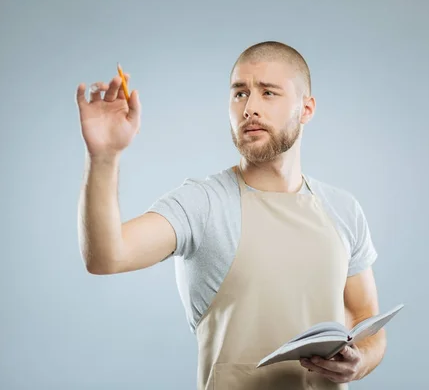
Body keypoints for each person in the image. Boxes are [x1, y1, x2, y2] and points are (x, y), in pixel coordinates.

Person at [75, 41, 387, 389]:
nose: (250, 108)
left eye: (268, 93)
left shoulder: (343, 208)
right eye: (240, 94)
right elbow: (106, 257)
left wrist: (358, 363)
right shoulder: (202, 204)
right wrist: (104, 157)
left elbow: (366, 320)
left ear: (306, 109)